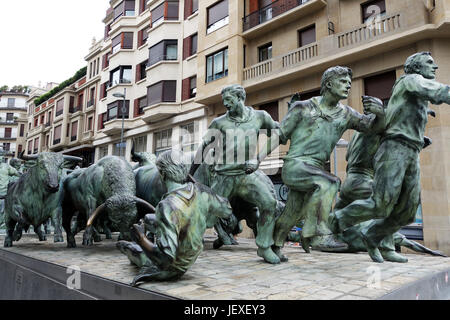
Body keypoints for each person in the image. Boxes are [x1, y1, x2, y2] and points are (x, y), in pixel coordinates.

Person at [246, 66, 385, 260]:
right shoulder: (303, 108)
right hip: (295, 165)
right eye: (343, 82)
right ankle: (320, 232)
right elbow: (279, 135)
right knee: (330, 182)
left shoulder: (347, 114)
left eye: (349, 83)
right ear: (328, 84)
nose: (348, 86)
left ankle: (273, 245)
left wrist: (380, 114)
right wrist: (257, 158)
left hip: (314, 169)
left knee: (292, 213)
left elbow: (370, 128)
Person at [329, 52, 450, 262]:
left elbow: (408, 111)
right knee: (381, 204)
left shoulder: (415, 93)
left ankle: (373, 236)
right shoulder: (411, 80)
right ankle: (335, 221)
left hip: (411, 151)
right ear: (416, 67)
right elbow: (438, 91)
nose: (435, 67)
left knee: (408, 211)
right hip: (394, 148)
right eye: (429, 63)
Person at [189, 84, 283, 264]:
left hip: (248, 174)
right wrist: (190, 174)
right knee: (207, 214)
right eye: (223, 100)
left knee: (270, 203)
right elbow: (204, 149)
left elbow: (279, 133)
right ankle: (189, 244)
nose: (225, 104)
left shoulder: (260, 117)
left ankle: (264, 247)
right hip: (224, 176)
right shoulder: (219, 123)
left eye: (229, 100)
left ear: (240, 98)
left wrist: (259, 158)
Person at [117, 150, 233, 286]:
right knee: (150, 224)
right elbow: (227, 210)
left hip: (173, 268)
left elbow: (166, 258)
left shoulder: (166, 206)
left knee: (128, 247)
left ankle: (127, 247)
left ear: (162, 173)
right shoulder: (201, 190)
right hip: (191, 257)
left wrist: (141, 239)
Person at [0, 158, 20, 229]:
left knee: (3, 211)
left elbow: (16, 173)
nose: (1, 157)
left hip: (4, 194)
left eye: (1, 155)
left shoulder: (6, 166)